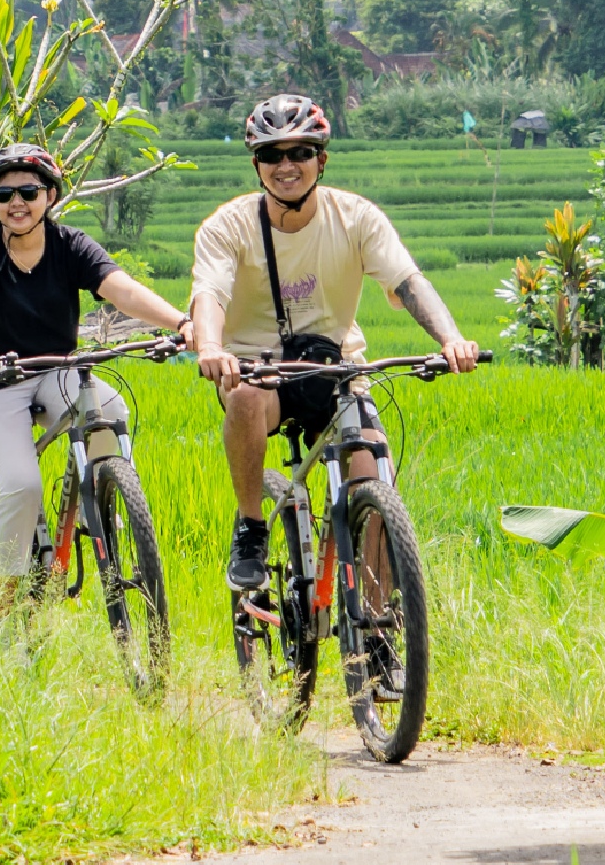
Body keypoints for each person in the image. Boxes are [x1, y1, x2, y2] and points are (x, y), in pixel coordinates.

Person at [188, 94, 484, 591]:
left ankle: (379, 621)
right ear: (257, 165)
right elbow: (210, 293)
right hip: (259, 371)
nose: (286, 166)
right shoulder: (227, 227)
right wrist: (211, 349)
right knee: (243, 397)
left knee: (372, 481)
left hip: (338, 372)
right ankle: (251, 527)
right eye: (272, 154)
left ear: (321, 160)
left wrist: (451, 339)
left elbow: (408, 281)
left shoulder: (355, 217)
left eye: (300, 153)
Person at [0, 143, 189, 604]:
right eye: (3, 194)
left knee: (110, 411)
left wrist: (181, 322)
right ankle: (3, 601)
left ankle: (98, 500)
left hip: (55, 370)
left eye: (28, 192)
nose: (16, 203)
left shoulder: (70, 245)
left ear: (50, 195)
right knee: (22, 484)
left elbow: (122, 290)